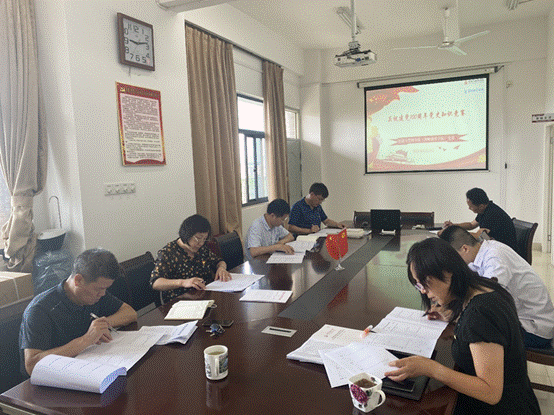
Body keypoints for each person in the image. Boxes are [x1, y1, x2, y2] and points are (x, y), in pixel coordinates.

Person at [385, 237, 540, 415]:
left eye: (424, 282)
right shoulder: (485, 287)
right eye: (418, 284)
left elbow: (491, 392)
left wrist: (430, 368)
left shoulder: (480, 314)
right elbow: (485, 336)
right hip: (516, 397)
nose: (423, 291)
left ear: (448, 271)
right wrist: (454, 321)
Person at [19, 248, 138, 376]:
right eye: (99, 289)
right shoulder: (39, 310)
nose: (103, 294)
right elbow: (31, 365)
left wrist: (103, 324)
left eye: (105, 289)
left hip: (86, 366)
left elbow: (130, 313)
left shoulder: (95, 294)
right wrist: (85, 340)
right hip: (51, 378)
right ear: (78, 280)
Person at [440, 225, 554, 348]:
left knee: (474, 328)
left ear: (465, 249)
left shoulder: (495, 259)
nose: (455, 264)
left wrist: (454, 317)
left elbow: (487, 302)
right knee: (468, 322)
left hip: (534, 329)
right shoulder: (482, 250)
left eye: (454, 259)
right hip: (520, 317)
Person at [150, 214, 231, 303]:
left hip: (204, 296)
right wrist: (183, 282)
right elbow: (156, 282)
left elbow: (218, 261)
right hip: (180, 302)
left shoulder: (202, 248)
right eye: (198, 238)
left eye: (204, 239)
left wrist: (221, 268)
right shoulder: (168, 252)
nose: (201, 243)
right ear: (187, 234)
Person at [441, 187, 517, 251]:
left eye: (471, 206)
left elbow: (481, 237)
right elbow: (471, 225)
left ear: (481, 206)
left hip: (504, 250)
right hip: (495, 246)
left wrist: (452, 233)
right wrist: (453, 226)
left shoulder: (492, 215)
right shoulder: (486, 208)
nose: (469, 208)